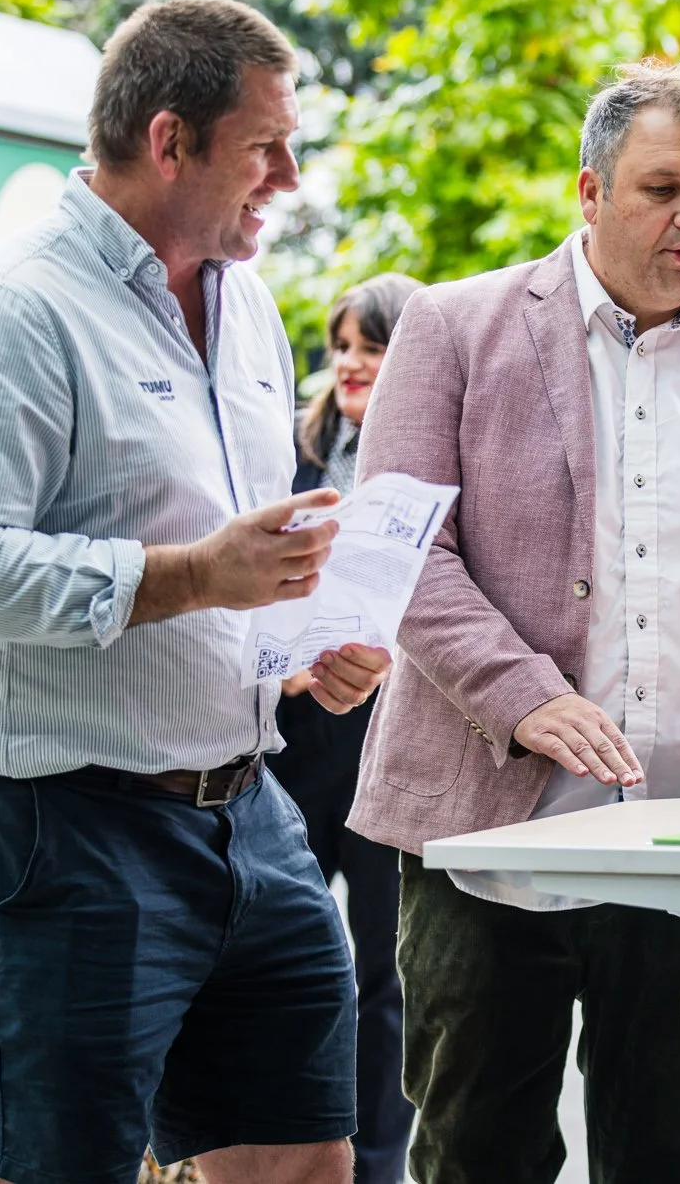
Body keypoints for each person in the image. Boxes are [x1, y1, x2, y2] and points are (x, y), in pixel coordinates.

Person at [346, 58, 680, 1183]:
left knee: (665, 1157)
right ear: (589, 192)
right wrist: (523, 696)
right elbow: (400, 555)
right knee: (475, 1158)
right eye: (662, 189)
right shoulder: (452, 328)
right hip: (489, 844)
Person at [0, 0, 392, 1184]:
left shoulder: (247, 303)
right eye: (265, 146)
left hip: (246, 811)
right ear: (169, 140)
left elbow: (235, 548)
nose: (290, 177)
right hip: (51, 825)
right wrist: (196, 576)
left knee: (305, 1160)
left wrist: (299, 643)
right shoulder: (14, 304)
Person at [268, 273, 425, 1184]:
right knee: (273, 960)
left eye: (373, 346)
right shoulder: (290, 444)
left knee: (384, 973)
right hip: (290, 736)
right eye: (342, 348)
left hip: (389, 738)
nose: (353, 364)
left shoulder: (432, 449)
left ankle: (376, 1166)